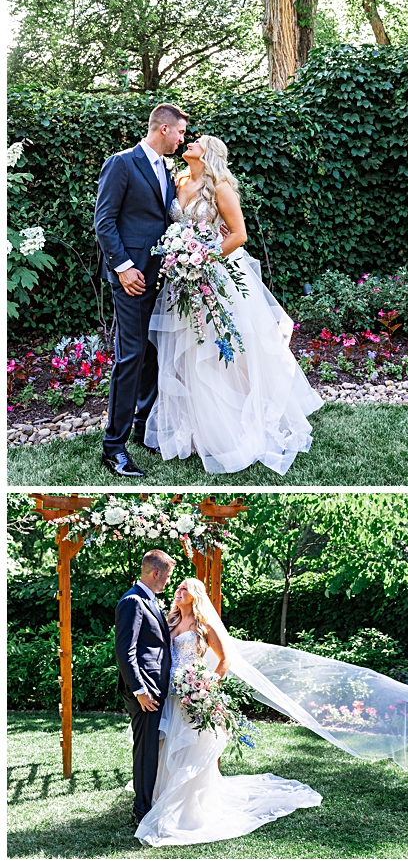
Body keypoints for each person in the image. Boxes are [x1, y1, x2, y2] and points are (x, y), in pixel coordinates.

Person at [136, 574, 408, 846]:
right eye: (176, 587)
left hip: (197, 693)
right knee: (168, 746)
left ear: (194, 595)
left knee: (193, 749)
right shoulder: (170, 620)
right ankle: (162, 796)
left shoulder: (205, 627)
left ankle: (189, 810)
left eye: (182, 588)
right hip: (172, 693)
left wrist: (207, 684)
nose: (177, 591)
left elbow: (226, 659)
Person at [147, 135, 322, 477]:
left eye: (196, 142)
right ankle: (200, 429)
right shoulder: (179, 179)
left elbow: (238, 235)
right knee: (189, 350)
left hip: (215, 275)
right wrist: (182, 256)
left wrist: (201, 258)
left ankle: (240, 422)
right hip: (183, 277)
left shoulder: (221, 188)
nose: (190, 143)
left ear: (209, 153)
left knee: (225, 351)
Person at [94, 103, 187, 477]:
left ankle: (142, 423)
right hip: (131, 278)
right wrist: (124, 267)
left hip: (160, 275)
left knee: (151, 354)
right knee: (130, 356)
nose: (183, 139)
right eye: (180, 132)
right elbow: (105, 221)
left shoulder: (165, 169)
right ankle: (112, 447)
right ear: (163, 129)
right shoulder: (122, 163)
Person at [117, 549, 175, 826]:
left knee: (152, 748)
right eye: (167, 577)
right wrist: (139, 690)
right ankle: (141, 812)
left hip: (156, 688)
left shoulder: (149, 600)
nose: (167, 583)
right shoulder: (132, 602)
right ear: (156, 574)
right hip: (145, 692)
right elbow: (125, 651)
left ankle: (147, 803)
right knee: (146, 751)